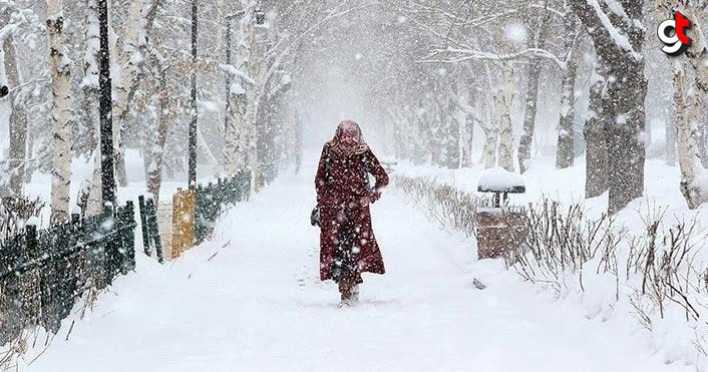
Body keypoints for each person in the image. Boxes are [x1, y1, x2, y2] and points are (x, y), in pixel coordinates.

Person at [315, 119, 389, 306]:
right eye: (345, 142)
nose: (349, 147)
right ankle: (346, 289)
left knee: (352, 251)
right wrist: (325, 201)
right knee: (337, 252)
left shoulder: (363, 152)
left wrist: (370, 197)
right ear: (339, 138)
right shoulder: (329, 150)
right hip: (334, 213)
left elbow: (382, 178)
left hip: (357, 214)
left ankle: (349, 290)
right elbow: (320, 179)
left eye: (352, 142)